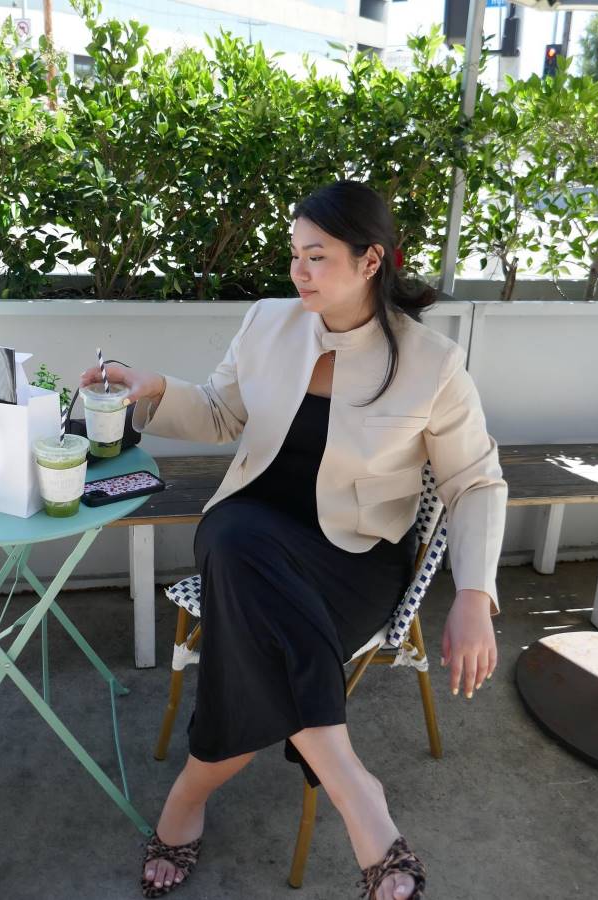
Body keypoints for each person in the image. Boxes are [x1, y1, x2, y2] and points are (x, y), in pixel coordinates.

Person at [80, 180, 508, 900]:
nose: (297, 272)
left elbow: (475, 479)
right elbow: (220, 414)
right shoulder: (268, 324)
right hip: (250, 532)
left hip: (354, 561)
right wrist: (149, 387)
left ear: (371, 261)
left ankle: (184, 803)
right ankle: (357, 794)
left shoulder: (432, 362)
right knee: (239, 535)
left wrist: (473, 594)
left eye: (316, 256)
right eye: (294, 255)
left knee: (251, 636)